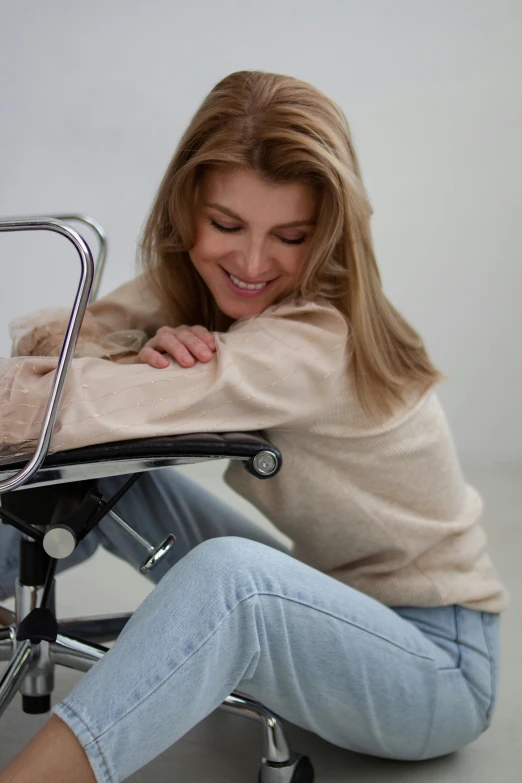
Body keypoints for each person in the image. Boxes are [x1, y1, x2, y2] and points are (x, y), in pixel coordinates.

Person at [0, 70, 508, 783]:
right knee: (105, 466)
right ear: (188, 208)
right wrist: (131, 355)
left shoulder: (311, 340)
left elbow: (46, 412)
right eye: (227, 224)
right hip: (330, 597)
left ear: (328, 232)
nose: (250, 262)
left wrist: (126, 377)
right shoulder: (202, 285)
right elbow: (51, 352)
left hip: (434, 667)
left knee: (231, 579)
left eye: (291, 235)